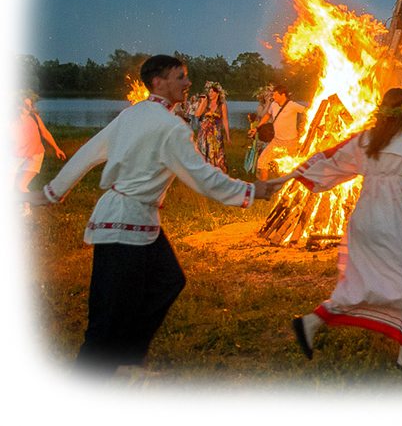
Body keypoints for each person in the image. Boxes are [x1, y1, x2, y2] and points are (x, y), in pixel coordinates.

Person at [26, 55, 278, 410]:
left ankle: (128, 358)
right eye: (181, 77)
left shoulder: (135, 113)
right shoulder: (170, 127)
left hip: (142, 222)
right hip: (121, 223)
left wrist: (54, 191)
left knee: (168, 281)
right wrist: (254, 191)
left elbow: (88, 150)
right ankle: (77, 384)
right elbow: (202, 177)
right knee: (111, 307)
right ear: (159, 82)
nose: (188, 84)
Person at [287, 88, 402, 370]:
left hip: (365, 219)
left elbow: (330, 160)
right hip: (395, 220)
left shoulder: (365, 139)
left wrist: (290, 176)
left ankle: (311, 322)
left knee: (359, 282)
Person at [0, 90, 66, 217]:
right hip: (16, 156)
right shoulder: (10, 120)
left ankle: (27, 210)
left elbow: (45, 133)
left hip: (34, 155)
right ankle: (20, 201)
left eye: (30, 105)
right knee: (8, 190)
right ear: (18, 106)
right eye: (26, 105)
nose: (29, 108)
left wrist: (57, 148)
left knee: (20, 185)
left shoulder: (34, 118)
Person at [256, 84, 308, 181]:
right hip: (277, 141)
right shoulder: (273, 105)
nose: (273, 97)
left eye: (275, 95)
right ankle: (264, 187)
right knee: (262, 161)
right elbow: (268, 114)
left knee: (288, 169)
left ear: (283, 95)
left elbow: (307, 112)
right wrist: (257, 127)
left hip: (291, 142)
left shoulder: (292, 105)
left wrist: (304, 127)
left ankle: (287, 191)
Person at [195, 81, 230, 172]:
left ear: (217, 94)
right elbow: (197, 114)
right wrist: (203, 102)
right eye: (209, 92)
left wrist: (228, 136)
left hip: (215, 133)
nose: (209, 94)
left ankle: (216, 171)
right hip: (204, 132)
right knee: (204, 151)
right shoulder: (206, 104)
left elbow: (225, 120)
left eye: (212, 92)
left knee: (215, 152)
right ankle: (204, 171)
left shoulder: (222, 106)